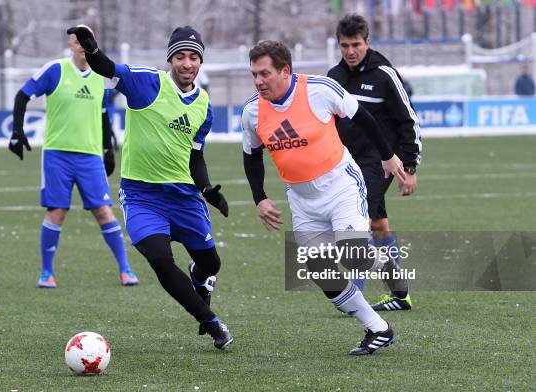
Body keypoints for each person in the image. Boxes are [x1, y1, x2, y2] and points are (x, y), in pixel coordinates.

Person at [68, 25, 233, 350]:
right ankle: (212, 322)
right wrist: (93, 51)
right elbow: (109, 69)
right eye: (181, 56)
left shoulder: (204, 106)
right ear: (170, 58)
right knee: (159, 257)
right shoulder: (147, 81)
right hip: (142, 195)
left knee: (211, 264)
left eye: (194, 57)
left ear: (200, 62)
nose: (187, 64)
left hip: (185, 197)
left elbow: (196, 157)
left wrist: (207, 189)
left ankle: (200, 279)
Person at [242, 40, 408, 355]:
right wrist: (259, 198)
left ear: (285, 70)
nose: (259, 81)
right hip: (302, 200)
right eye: (254, 74)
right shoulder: (252, 111)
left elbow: (363, 118)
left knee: (353, 256)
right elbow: (251, 156)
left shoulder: (319, 89)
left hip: (341, 186)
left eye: (265, 73)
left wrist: (388, 156)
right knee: (322, 273)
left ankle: (389, 267)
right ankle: (378, 328)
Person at [8, 26, 139, 288]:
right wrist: (17, 131)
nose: (81, 44)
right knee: (56, 212)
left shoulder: (100, 76)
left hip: (90, 157)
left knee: (104, 212)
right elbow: (23, 95)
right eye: (76, 39)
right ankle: (47, 273)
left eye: (86, 39)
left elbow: (102, 114)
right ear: (70, 44)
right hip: (57, 155)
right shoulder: (55, 70)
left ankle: (125, 269)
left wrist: (108, 148)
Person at [327, 14, 421, 311]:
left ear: (367, 42)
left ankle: (354, 294)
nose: (350, 51)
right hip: (346, 162)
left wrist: (410, 165)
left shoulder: (384, 74)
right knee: (378, 224)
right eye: (345, 46)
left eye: (356, 44)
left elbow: (408, 120)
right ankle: (400, 292)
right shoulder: (334, 77)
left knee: (357, 219)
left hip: (380, 162)